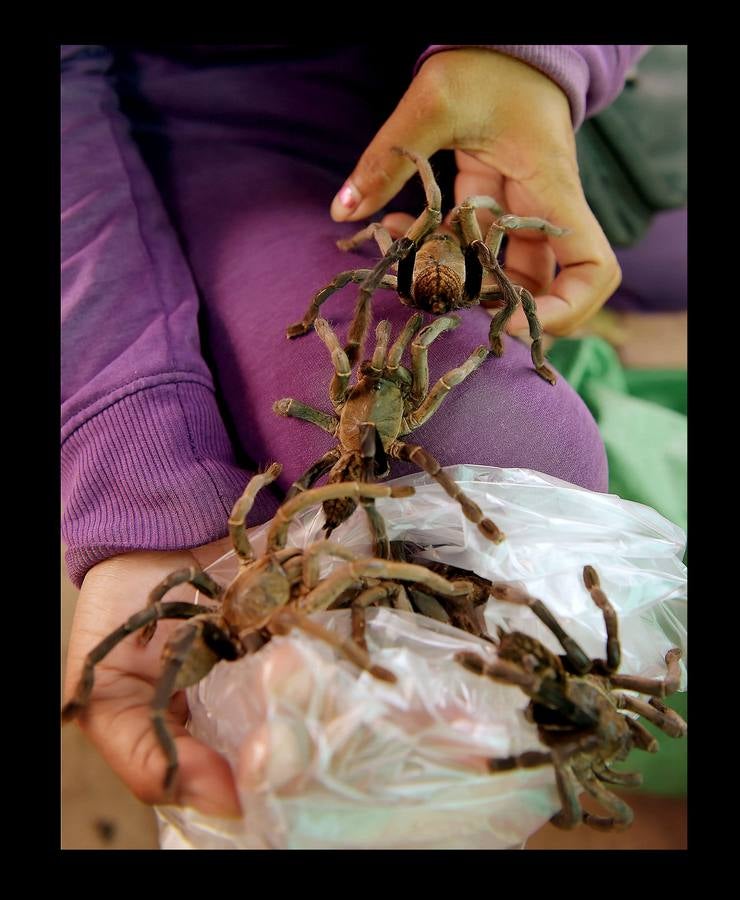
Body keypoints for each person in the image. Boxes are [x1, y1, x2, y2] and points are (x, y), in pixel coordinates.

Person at [62, 44, 649, 817]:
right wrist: (140, 478)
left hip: (453, 110)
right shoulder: (381, 295)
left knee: (647, 264)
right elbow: (362, 299)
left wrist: (531, 63)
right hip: (194, 123)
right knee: (497, 445)